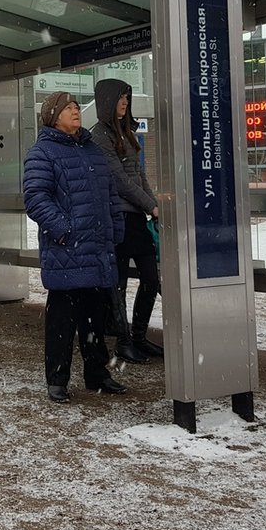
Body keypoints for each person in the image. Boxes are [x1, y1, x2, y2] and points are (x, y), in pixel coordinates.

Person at [23, 90, 127, 404]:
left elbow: (111, 195)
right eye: (68, 108)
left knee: (94, 317)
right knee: (62, 321)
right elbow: (36, 198)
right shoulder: (42, 153)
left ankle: (98, 374)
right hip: (66, 251)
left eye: (76, 106)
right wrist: (65, 231)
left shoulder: (93, 151)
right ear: (53, 116)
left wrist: (116, 228)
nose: (75, 111)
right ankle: (57, 379)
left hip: (96, 250)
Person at [91, 79, 164, 362]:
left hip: (135, 218)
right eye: (120, 98)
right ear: (108, 100)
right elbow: (119, 181)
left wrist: (154, 204)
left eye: (127, 98)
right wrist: (150, 206)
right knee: (117, 283)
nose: (125, 102)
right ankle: (123, 341)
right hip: (117, 217)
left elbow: (139, 175)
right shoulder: (100, 135)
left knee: (150, 279)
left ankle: (137, 337)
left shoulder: (126, 131)